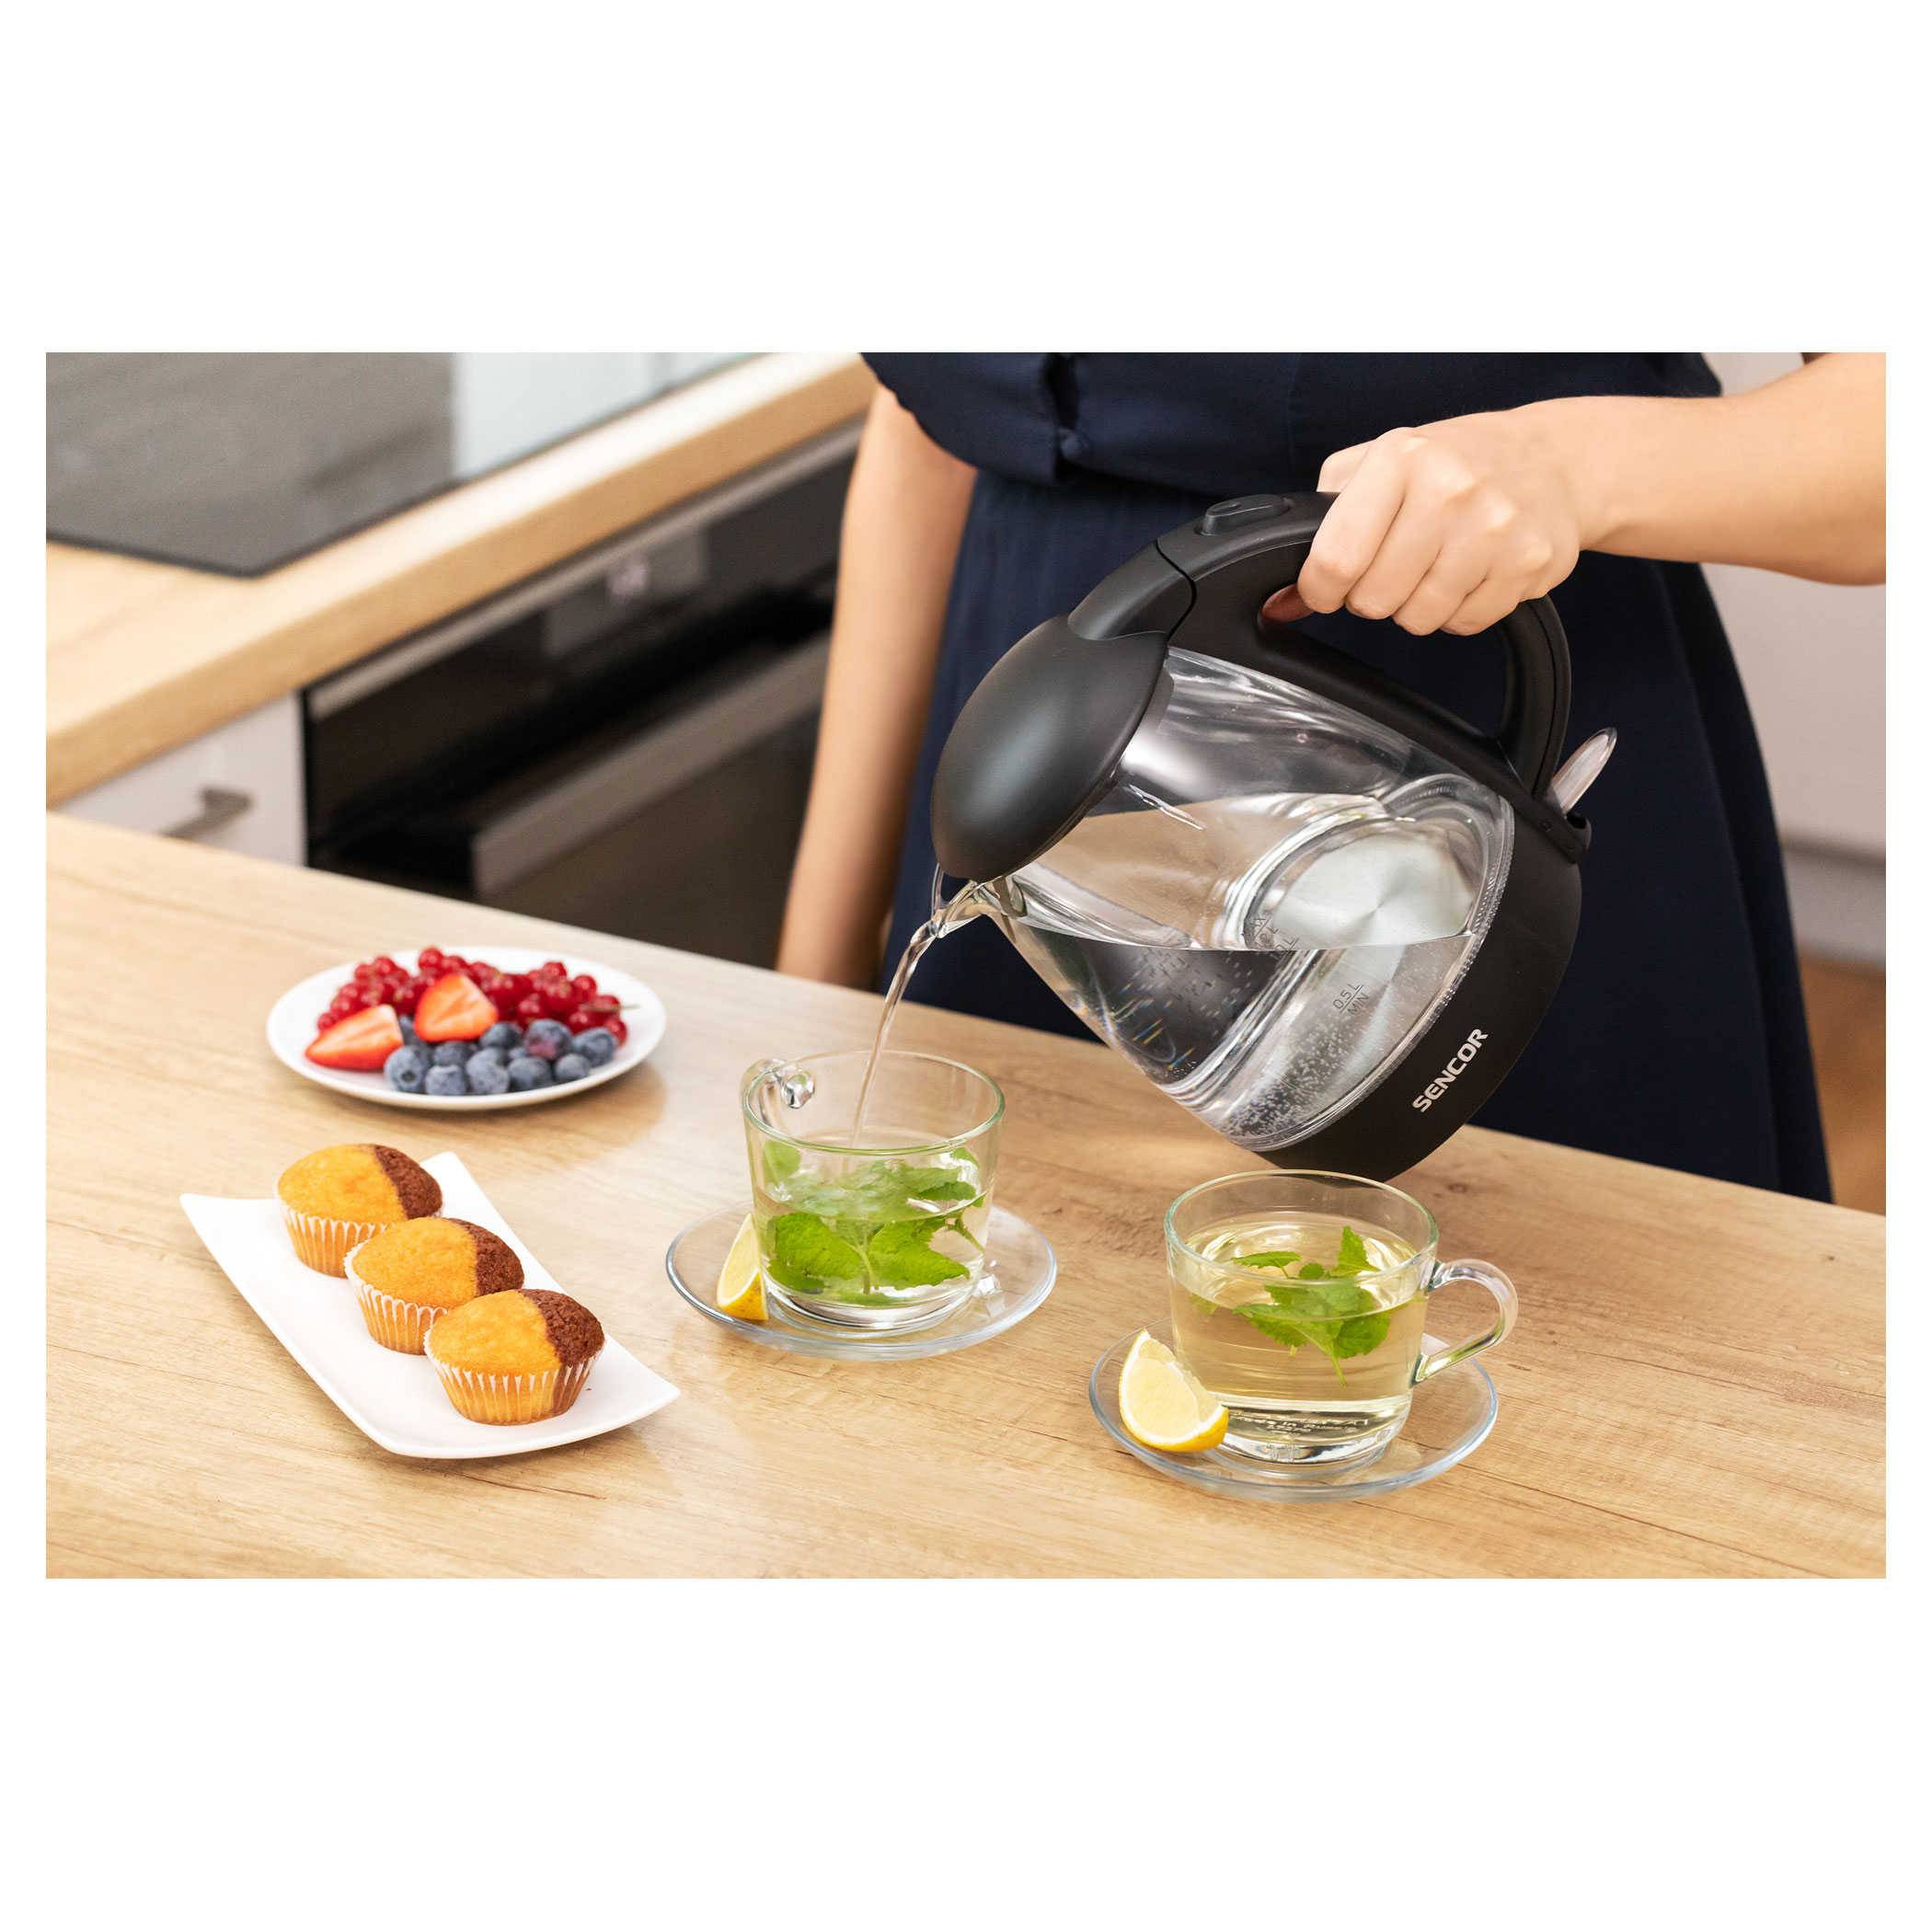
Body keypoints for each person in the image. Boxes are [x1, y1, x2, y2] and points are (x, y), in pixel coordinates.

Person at [776, 355, 1885, 1201]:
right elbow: (930, 435)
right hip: (1031, 782)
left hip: (1463, 790)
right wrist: (808, 994)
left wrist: (1567, 467)